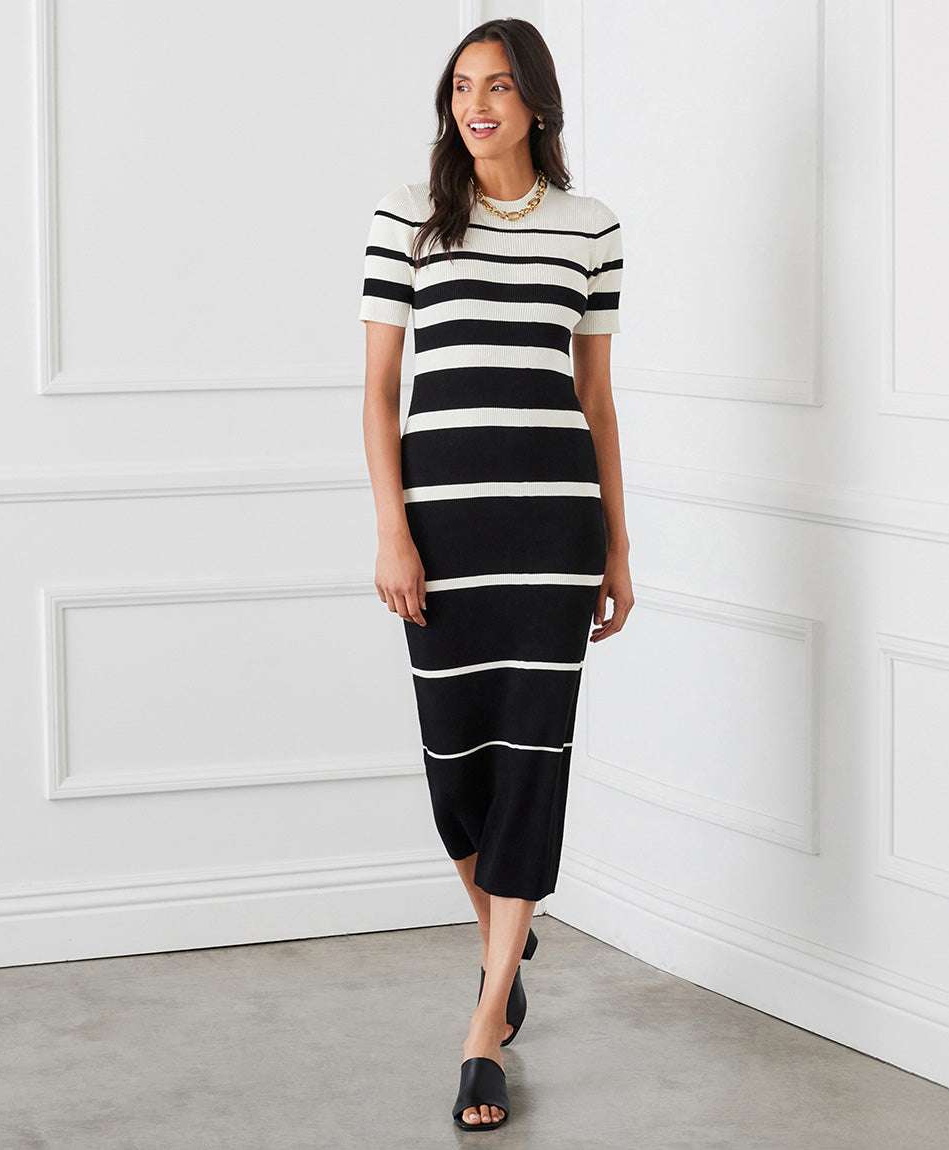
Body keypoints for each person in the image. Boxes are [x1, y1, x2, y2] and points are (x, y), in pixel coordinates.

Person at [358, 16, 633, 1132]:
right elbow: (379, 392)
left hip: (553, 535)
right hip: (445, 535)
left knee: (530, 762)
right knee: (455, 769)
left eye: (499, 87)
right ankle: (502, 951)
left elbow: (595, 398)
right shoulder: (408, 220)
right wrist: (393, 530)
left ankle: (484, 1030)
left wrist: (618, 545)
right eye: (462, 86)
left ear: (536, 104)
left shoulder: (591, 227)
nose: (476, 105)